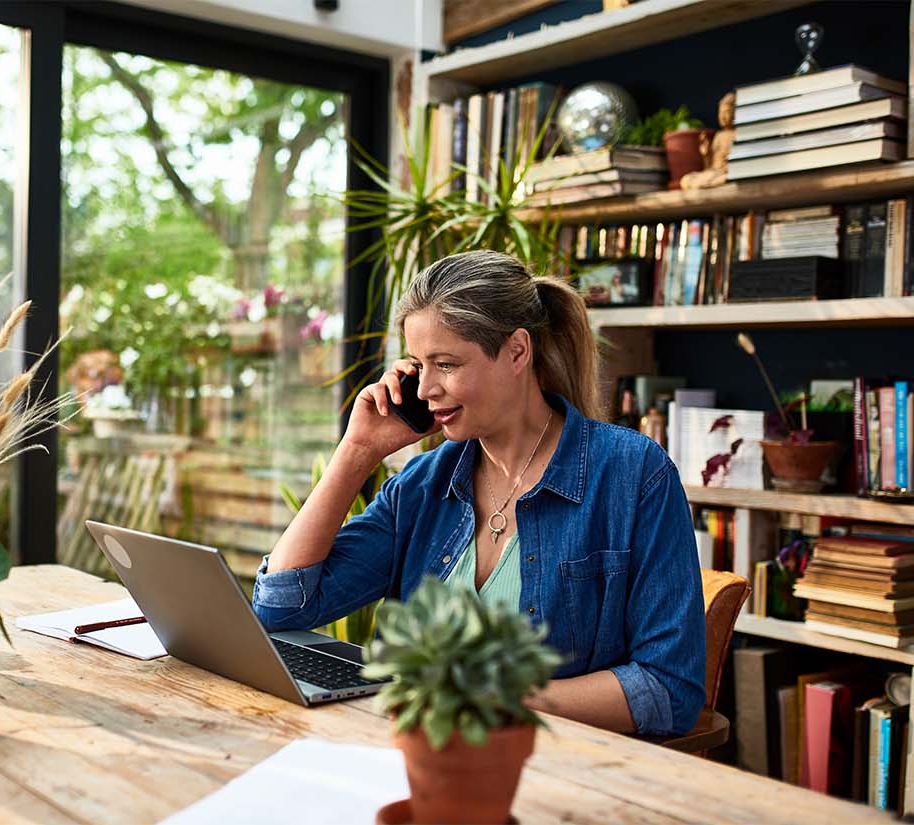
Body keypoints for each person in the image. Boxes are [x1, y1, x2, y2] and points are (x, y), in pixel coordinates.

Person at [251, 250, 706, 738]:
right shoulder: (423, 485)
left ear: (516, 351)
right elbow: (281, 607)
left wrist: (494, 698)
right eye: (417, 365)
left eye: (445, 364)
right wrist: (358, 450)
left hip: (557, 773)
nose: (425, 389)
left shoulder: (631, 474)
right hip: (410, 758)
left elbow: (667, 689)